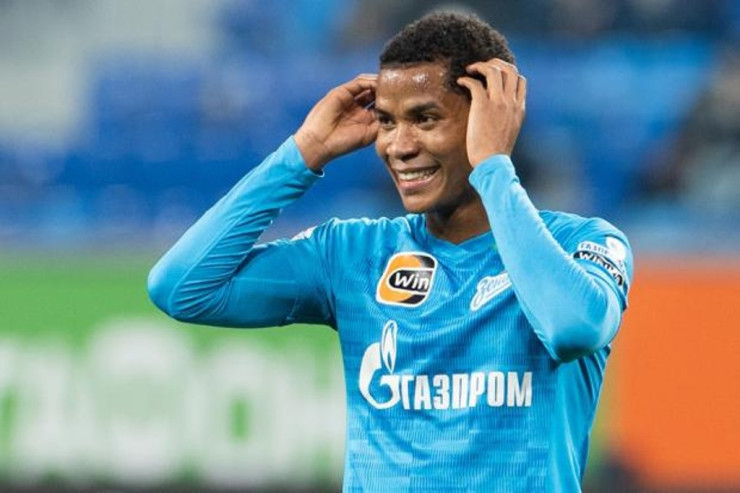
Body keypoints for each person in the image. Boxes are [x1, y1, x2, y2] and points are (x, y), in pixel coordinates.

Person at [148, 11, 633, 492]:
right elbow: (181, 288)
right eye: (386, 122)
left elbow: (572, 329)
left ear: (489, 117)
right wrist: (303, 152)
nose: (398, 146)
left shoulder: (580, 244)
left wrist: (492, 165)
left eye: (425, 119)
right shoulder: (353, 254)